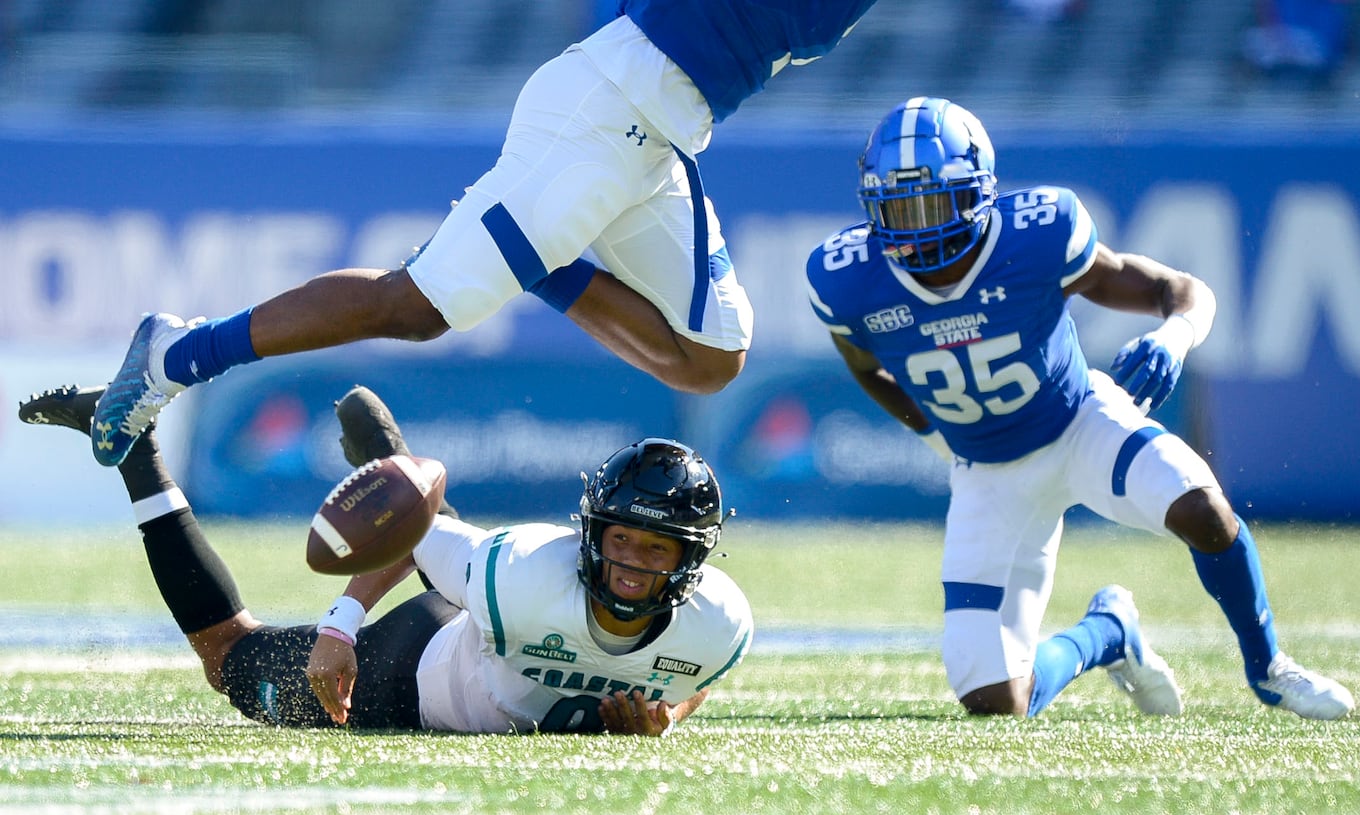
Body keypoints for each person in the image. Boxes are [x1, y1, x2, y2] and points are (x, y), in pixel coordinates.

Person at [89, 0, 885, 468]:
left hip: (656, 136)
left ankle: (538, 264)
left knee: (712, 356)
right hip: (605, 113)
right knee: (417, 308)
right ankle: (175, 354)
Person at [804, 96, 1354, 720]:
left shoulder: (1036, 233)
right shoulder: (846, 277)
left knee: (1202, 508)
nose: (917, 226)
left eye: (934, 202)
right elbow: (868, 369)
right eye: (899, 208)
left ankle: (1269, 668)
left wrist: (1174, 336)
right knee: (992, 702)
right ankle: (1109, 634)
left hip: (1078, 423)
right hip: (988, 475)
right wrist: (936, 433)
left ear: (979, 190)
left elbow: (1178, 290)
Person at [22, 384, 752, 734]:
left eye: (655, 548)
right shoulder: (527, 572)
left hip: (481, 622)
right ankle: (135, 447)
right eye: (620, 538)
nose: (631, 562)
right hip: (416, 673)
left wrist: (666, 714)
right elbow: (407, 541)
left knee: (447, 550)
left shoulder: (719, 623)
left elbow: (694, 673)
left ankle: (394, 466)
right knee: (228, 659)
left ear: (691, 564)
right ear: (590, 534)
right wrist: (341, 628)